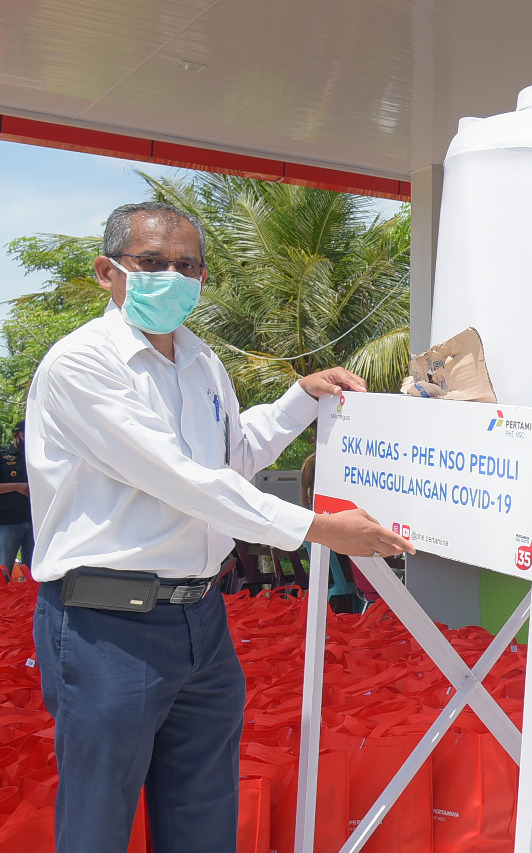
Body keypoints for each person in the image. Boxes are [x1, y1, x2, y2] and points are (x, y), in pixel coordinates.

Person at [27, 201, 415, 853]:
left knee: (202, 816)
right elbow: (181, 478)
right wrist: (318, 527)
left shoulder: (199, 360)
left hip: (200, 622)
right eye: (152, 262)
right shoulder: (82, 365)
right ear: (107, 271)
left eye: (188, 266)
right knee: (97, 824)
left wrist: (301, 398)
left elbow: (230, 458)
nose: (172, 277)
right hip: (108, 627)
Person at [0, 419, 33, 574]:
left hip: (34, 522)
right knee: (4, 570)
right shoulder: (3, 458)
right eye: (26, 434)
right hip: (8, 523)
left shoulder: (37, 458)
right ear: (16, 435)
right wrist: (17, 487)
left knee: (33, 572)